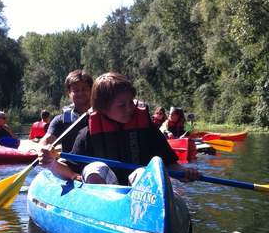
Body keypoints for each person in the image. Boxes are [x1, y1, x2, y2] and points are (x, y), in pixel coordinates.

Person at [41, 72, 200, 185]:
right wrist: (51, 163)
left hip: (140, 192)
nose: (129, 108)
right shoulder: (87, 134)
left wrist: (184, 173)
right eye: (122, 105)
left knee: (143, 173)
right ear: (103, 107)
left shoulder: (147, 129)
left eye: (131, 102)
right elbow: (69, 169)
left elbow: (170, 164)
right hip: (107, 195)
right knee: (95, 169)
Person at [39, 69, 92, 152]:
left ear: (91, 90)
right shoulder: (62, 119)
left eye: (84, 89)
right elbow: (46, 140)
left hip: (98, 164)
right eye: (76, 90)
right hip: (68, 164)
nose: (81, 93)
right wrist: (44, 148)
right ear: (69, 93)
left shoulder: (102, 114)